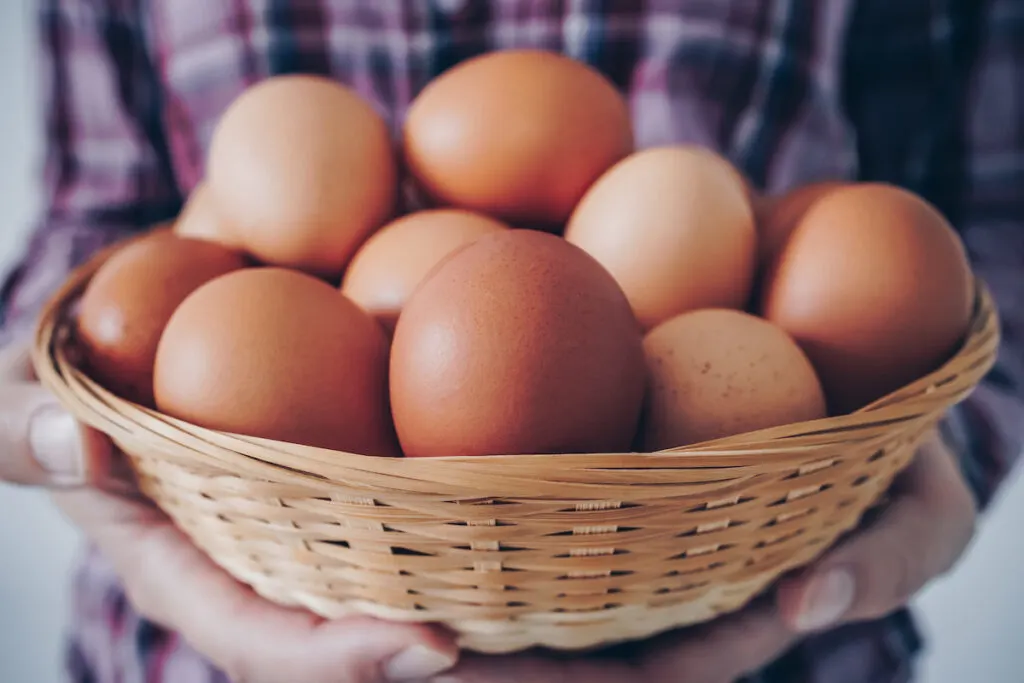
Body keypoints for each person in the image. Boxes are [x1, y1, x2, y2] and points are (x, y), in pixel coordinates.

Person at [1, 1, 1021, 682]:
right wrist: (81, 438)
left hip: (779, 622)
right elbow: (103, 221)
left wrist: (935, 455)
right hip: (195, 643)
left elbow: (990, 221)